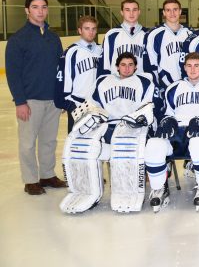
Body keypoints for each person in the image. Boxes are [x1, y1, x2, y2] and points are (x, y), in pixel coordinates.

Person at [60, 52, 156, 213]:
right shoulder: (103, 81)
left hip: (130, 128)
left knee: (125, 147)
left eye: (130, 65)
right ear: (117, 67)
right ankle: (87, 192)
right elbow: (92, 103)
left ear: (136, 67)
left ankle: (127, 191)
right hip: (106, 126)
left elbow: (147, 107)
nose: (127, 68)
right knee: (81, 145)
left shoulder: (145, 82)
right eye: (123, 65)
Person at [145, 52, 199, 212]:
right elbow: (168, 113)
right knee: (154, 144)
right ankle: (159, 188)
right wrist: (167, 121)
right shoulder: (173, 88)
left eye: (196, 66)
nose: (193, 69)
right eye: (189, 66)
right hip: (177, 132)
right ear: (184, 67)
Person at [6, 0, 66, 195]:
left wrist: (61, 97)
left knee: (49, 140)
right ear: (27, 10)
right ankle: (31, 179)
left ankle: (47, 174)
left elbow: (60, 69)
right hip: (30, 100)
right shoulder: (18, 39)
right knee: (27, 143)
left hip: (52, 100)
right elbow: (13, 73)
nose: (40, 11)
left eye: (43, 7)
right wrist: (20, 102)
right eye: (35, 7)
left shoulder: (53, 37)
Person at [55, 15, 102, 133]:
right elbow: (63, 77)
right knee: (76, 142)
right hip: (77, 103)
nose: (91, 32)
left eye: (93, 29)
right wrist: (67, 103)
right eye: (87, 28)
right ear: (80, 30)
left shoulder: (101, 50)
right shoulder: (71, 51)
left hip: (98, 104)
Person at [144, 0, 192, 93]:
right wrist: (157, 85)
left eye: (175, 9)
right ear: (164, 13)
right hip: (165, 85)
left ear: (180, 11)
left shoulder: (190, 34)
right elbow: (151, 64)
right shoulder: (154, 34)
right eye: (168, 10)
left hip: (188, 84)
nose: (172, 13)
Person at [99, 0, 148, 75]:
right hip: (118, 83)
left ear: (139, 12)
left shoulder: (148, 34)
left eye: (134, 10)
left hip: (140, 83)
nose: (131, 13)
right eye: (127, 10)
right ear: (122, 12)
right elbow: (105, 64)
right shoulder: (111, 34)